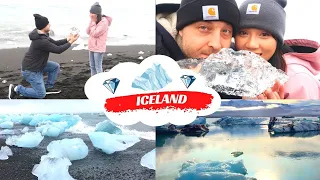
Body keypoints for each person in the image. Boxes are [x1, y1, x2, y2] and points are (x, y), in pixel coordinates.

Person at [156, 0, 283, 99]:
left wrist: (251, 106)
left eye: (226, 31)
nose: (216, 45)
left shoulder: (231, 62)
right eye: (204, 28)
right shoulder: (150, 52)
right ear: (180, 29)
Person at [235, 0, 320, 99]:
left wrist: (273, 112)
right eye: (243, 33)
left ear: (277, 41)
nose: (251, 44)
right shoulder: (234, 68)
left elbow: (309, 114)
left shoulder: (298, 78)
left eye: (264, 34)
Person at [8, 14, 79, 99]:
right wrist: (71, 42)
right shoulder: (41, 41)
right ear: (43, 26)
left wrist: (67, 39)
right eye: (48, 24)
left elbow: (55, 44)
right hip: (31, 70)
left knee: (55, 67)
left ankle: (48, 87)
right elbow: (58, 50)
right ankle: (17, 89)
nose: (50, 25)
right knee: (41, 94)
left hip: (38, 65)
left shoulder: (41, 35)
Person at [86, 2, 112, 76]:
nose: (90, 15)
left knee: (98, 67)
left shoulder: (104, 22)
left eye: (92, 13)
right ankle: (93, 81)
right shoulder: (93, 21)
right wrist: (92, 22)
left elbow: (95, 33)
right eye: (90, 13)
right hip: (91, 46)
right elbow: (87, 31)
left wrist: (93, 23)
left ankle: (99, 82)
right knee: (92, 66)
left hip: (99, 48)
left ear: (97, 14)